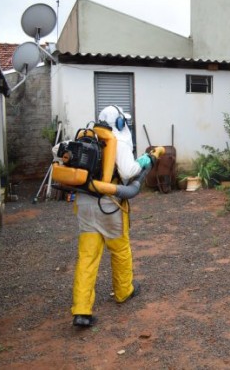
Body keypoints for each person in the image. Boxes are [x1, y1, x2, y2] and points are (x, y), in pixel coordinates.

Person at [68, 105, 152, 327]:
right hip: (109, 204)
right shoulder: (118, 142)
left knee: (87, 257)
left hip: (84, 204)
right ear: (121, 123)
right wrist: (143, 162)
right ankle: (124, 291)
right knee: (120, 250)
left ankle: (81, 311)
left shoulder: (86, 139)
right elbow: (128, 172)